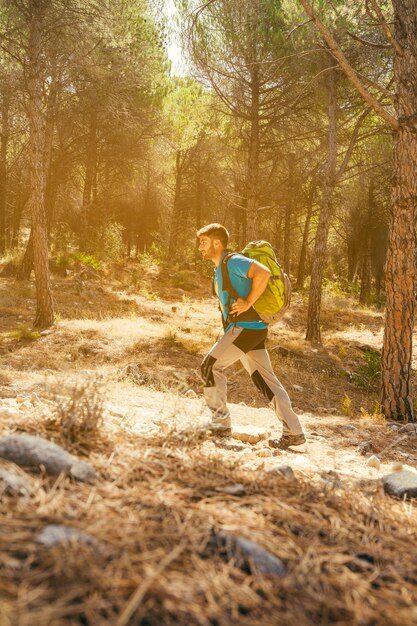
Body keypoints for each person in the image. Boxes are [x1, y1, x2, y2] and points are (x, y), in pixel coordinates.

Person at [197, 223, 306, 449]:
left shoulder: (233, 261)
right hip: (251, 329)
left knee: (209, 367)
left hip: (246, 328)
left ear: (217, 243)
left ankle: (220, 425)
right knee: (266, 381)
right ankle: (294, 433)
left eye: (204, 242)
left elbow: (263, 272)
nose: (200, 246)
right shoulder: (220, 268)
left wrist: (248, 302)